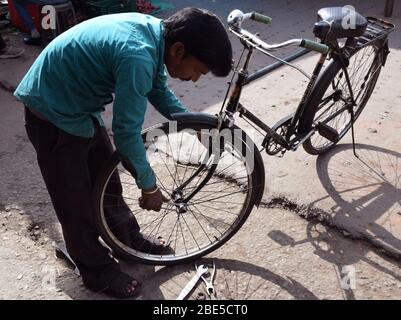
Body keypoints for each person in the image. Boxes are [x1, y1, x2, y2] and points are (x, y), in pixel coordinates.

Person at [14, 7, 232, 298]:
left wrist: (194, 123)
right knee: (75, 202)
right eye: (198, 71)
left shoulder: (156, 35)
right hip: (51, 112)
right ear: (179, 50)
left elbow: (157, 89)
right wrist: (149, 184)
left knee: (107, 183)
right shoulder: (138, 54)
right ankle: (97, 271)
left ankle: (126, 240)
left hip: (80, 104)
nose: (194, 80)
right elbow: (127, 133)